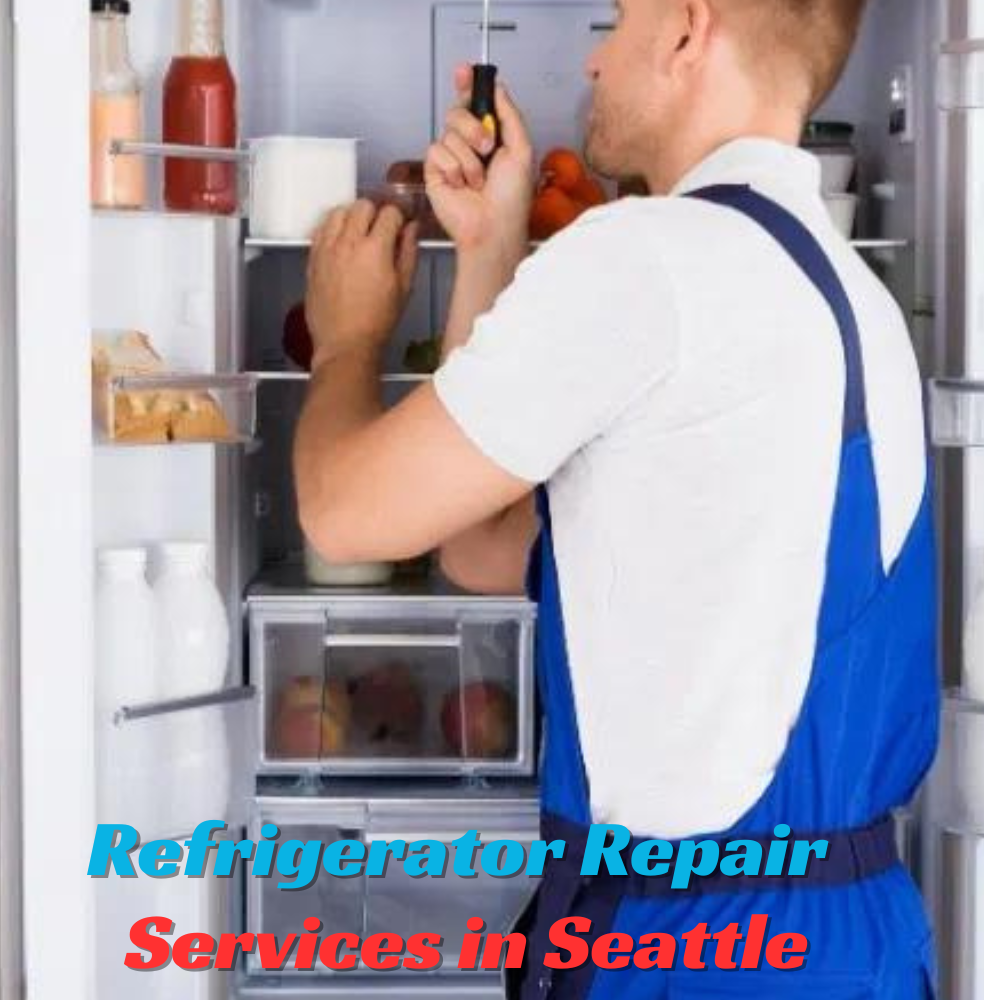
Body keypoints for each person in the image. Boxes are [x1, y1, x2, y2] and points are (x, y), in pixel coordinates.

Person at [293, 0, 939, 995]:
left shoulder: (649, 258)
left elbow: (343, 513)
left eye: (615, 21)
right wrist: (489, 245)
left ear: (685, 31)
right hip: (850, 937)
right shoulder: (852, 302)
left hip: (697, 946)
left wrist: (345, 338)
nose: (590, 63)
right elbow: (485, 549)